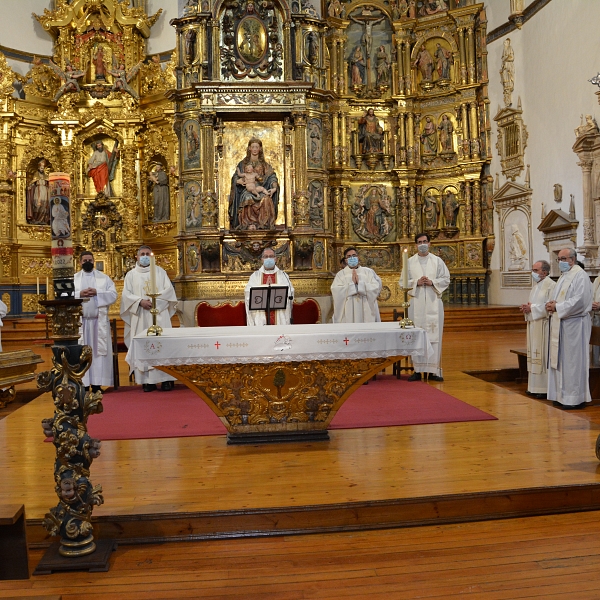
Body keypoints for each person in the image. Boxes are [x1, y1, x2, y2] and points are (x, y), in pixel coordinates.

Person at [121, 246, 178, 392]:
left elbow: (169, 291)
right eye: (142, 254)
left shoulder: (160, 271)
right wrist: (140, 301)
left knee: (162, 345)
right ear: (137, 257)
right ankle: (147, 381)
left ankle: (165, 379)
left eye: (148, 254)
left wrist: (154, 303)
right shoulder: (131, 275)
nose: (145, 256)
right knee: (144, 346)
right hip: (140, 314)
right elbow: (126, 295)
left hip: (159, 313)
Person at [545, 248, 593, 409]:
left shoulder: (581, 276)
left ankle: (574, 399)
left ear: (572, 259)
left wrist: (558, 306)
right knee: (561, 361)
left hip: (575, 326)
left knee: (573, 362)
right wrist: (552, 304)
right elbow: (560, 298)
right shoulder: (564, 276)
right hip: (562, 324)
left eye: (562, 259)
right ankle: (561, 395)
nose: (560, 262)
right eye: (558, 259)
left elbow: (580, 300)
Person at [403, 232, 450, 382]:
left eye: (425, 241)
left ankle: (433, 371)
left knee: (434, 337)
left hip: (433, 303)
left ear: (429, 244)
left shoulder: (437, 261)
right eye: (419, 242)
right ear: (415, 245)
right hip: (416, 305)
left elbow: (446, 278)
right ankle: (417, 370)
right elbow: (402, 281)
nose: (422, 244)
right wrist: (416, 282)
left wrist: (432, 282)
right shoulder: (409, 262)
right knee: (417, 337)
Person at [74, 251, 118, 393]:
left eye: (90, 260)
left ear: (94, 261)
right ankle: (84, 384)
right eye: (85, 260)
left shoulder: (104, 278)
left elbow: (113, 295)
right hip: (81, 323)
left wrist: (97, 292)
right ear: (80, 262)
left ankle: (97, 384)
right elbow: (64, 294)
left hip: (98, 323)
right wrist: (79, 294)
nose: (88, 262)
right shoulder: (74, 279)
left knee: (98, 353)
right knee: (82, 353)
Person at [519, 260, 555, 398]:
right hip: (534, 324)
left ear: (544, 272)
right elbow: (534, 304)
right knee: (533, 355)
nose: (532, 273)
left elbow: (549, 306)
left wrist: (532, 308)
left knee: (542, 355)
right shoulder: (536, 286)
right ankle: (533, 387)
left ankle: (543, 388)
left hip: (543, 327)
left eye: (535, 270)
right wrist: (527, 308)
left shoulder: (551, 286)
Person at [229, 138, 279, 231]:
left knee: (266, 198)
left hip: (260, 189)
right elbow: (236, 176)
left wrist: (274, 188)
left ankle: (262, 224)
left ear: (260, 149)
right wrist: (238, 181)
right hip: (248, 189)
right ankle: (247, 223)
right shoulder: (243, 164)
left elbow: (272, 177)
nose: (255, 149)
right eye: (253, 147)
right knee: (247, 198)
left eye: (257, 147)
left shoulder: (264, 165)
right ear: (249, 149)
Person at [245, 248, 294, 326]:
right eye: (266, 256)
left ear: (276, 259)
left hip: (279, 314)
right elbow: (248, 293)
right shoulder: (255, 276)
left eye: (271, 256)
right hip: (260, 314)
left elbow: (290, 292)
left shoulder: (283, 275)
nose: (268, 259)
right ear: (262, 259)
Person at [331, 247, 382, 323]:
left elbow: (376, 288)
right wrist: (352, 285)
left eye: (354, 255)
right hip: (348, 310)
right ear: (346, 260)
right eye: (349, 256)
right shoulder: (340, 275)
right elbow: (336, 291)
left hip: (366, 309)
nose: (352, 258)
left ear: (358, 257)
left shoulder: (368, 272)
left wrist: (360, 284)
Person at [26, 159, 50, 225]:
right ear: (39, 167)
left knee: (45, 205)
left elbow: (49, 184)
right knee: (37, 204)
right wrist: (30, 186)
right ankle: (36, 219)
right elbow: (32, 182)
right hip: (38, 190)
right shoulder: (36, 175)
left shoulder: (46, 176)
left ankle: (43, 220)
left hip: (45, 191)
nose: (42, 169)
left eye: (43, 167)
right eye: (41, 167)